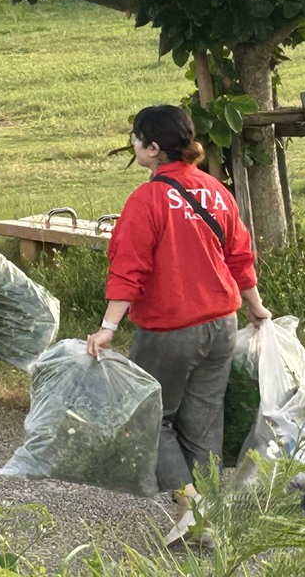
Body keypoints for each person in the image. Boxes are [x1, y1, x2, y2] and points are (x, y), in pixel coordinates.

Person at [84, 105, 272, 545]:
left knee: (147, 418)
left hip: (170, 328)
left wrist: (108, 326)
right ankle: (200, 523)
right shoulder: (216, 191)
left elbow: (129, 268)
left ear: (153, 148)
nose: (134, 145)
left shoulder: (147, 199)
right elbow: (240, 255)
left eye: (136, 139)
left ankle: (192, 503)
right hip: (221, 323)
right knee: (203, 424)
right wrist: (256, 306)